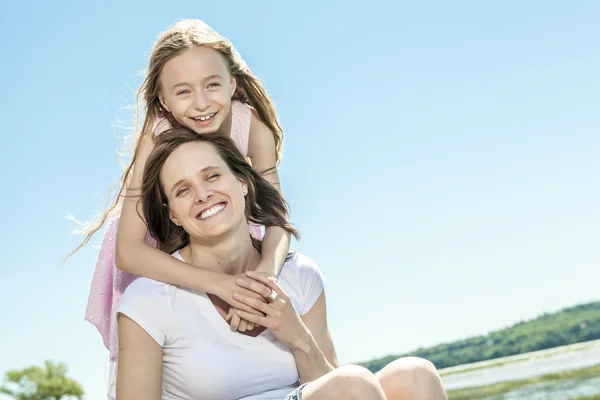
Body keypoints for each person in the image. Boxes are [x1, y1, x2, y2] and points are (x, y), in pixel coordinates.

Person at [116, 128, 448, 399]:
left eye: (213, 176)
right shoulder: (150, 299)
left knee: (416, 376)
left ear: (243, 183)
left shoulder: (297, 274)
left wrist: (298, 337)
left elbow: (332, 384)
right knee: (354, 384)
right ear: (173, 213)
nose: (202, 194)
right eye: (183, 190)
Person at [73, 19, 293, 364]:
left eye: (212, 85)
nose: (202, 104)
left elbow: (277, 220)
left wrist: (265, 274)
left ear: (232, 84)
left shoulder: (251, 127)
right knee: (158, 352)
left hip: (218, 230)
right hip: (155, 247)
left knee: (226, 350)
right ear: (163, 99)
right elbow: (128, 252)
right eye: (183, 91)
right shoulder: (156, 135)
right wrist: (219, 285)